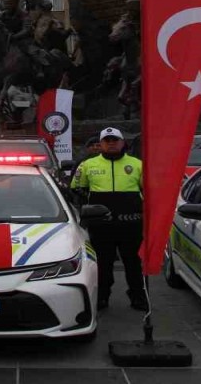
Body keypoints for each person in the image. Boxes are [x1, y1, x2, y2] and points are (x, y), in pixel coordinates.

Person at [70, 127, 146, 310]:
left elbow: (147, 190)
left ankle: (137, 296)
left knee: (133, 262)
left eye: (115, 140)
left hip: (131, 223)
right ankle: (102, 296)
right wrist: (90, 207)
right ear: (101, 144)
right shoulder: (88, 165)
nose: (111, 144)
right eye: (107, 141)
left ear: (122, 143)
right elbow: (76, 188)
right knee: (103, 263)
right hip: (101, 225)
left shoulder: (137, 164)